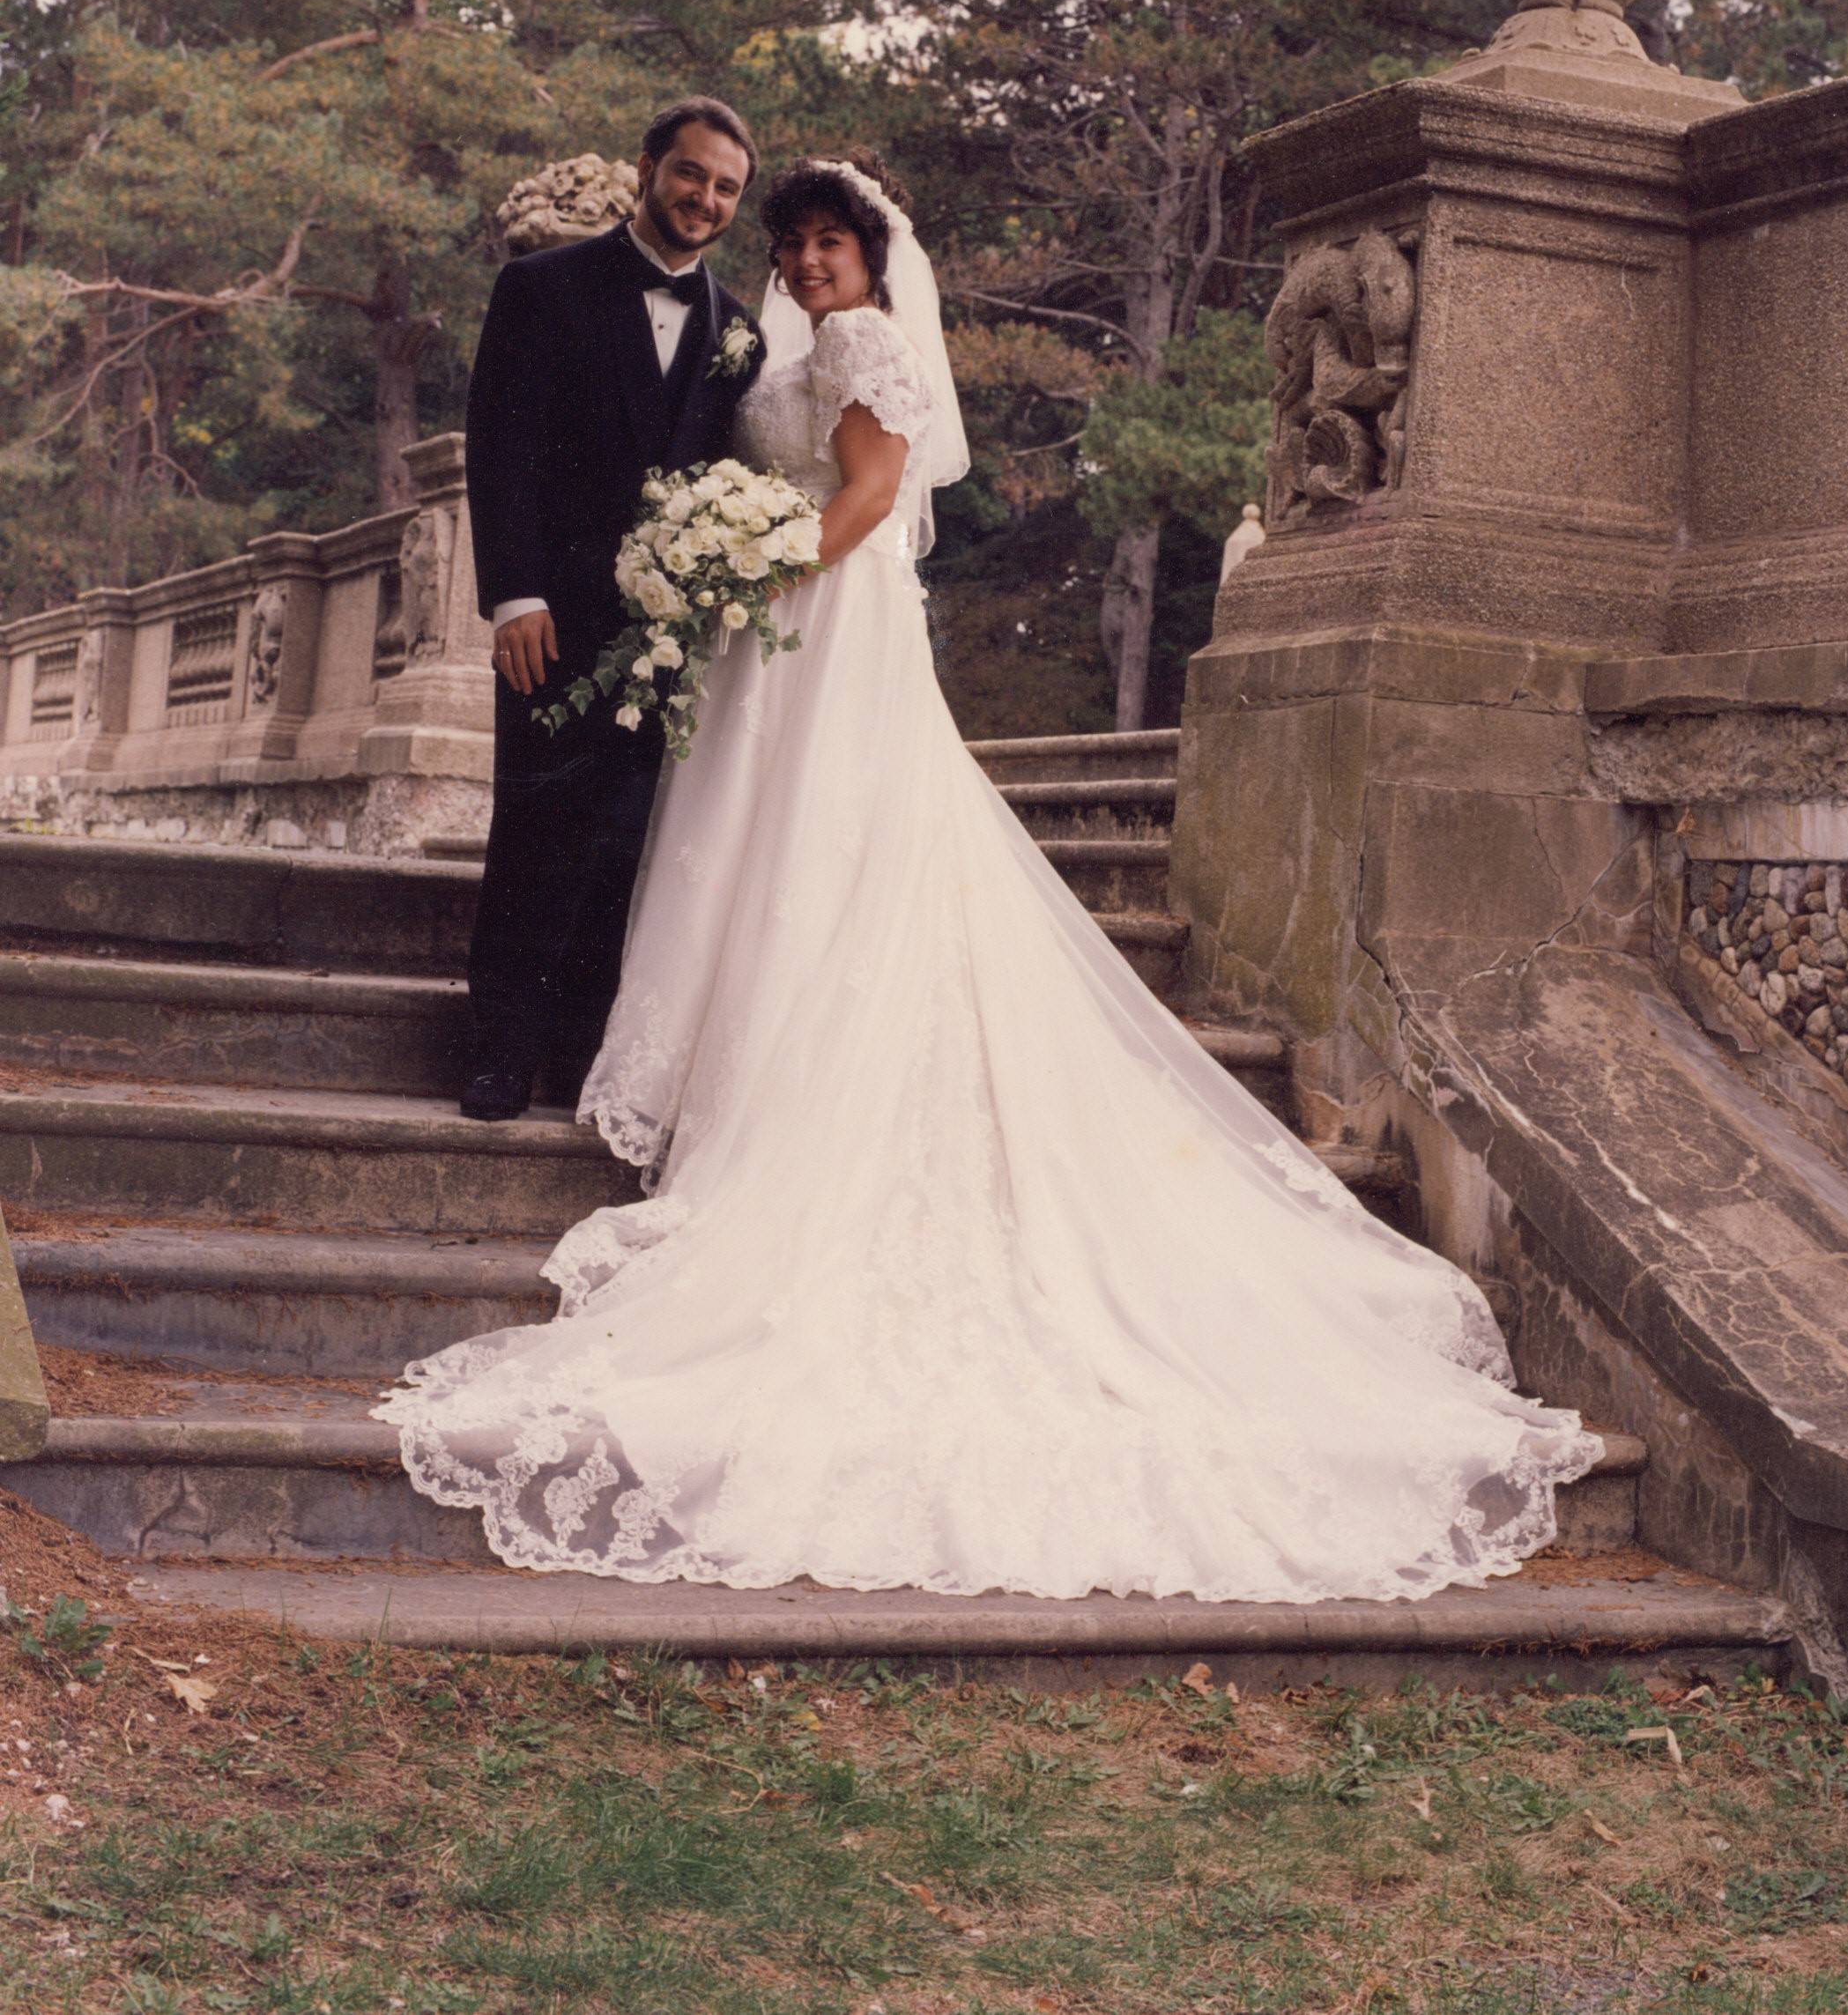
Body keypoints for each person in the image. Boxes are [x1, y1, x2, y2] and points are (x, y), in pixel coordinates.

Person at [378, 153, 1602, 1604]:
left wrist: (760, 556)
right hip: (786, 632)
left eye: (833, 244)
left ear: (873, 263)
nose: (814, 263)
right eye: (802, 245)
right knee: (767, 853)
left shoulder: (867, 344)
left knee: (830, 852)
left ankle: (785, 1099)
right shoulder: (769, 343)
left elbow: (873, 489)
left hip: (824, 623)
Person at [458, 96, 766, 1122]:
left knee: (625, 845)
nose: (705, 199)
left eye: (726, 187)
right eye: (691, 175)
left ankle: (581, 1053)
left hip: (667, 635)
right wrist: (513, 593)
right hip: (550, 616)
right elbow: (497, 447)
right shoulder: (540, 287)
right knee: (537, 823)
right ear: (649, 168)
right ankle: (497, 1052)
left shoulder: (740, 332)